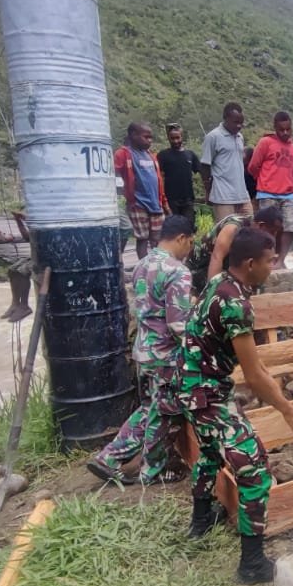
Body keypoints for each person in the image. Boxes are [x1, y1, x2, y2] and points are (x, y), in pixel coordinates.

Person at [180, 226, 293, 582]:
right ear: (251, 263)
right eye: (270, 261)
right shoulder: (237, 304)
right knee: (253, 468)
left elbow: (251, 362)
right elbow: (252, 377)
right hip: (206, 394)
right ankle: (252, 564)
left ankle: (201, 522)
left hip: (193, 387)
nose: (274, 267)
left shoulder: (221, 282)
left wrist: (269, 379)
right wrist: (287, 409)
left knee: (209, 452)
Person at [87, 215, 196, 485]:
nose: (190, 249)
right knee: (165, 411)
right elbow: (177, 324)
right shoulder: (178, 271)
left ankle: (110, 457)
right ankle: (153, 470)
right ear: (181, 238)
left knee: (149, 408)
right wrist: (199, 348)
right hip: (165, 356)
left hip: (143, 351)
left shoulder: (143, 264)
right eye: (190, 243)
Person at [248, 112, 293, 268]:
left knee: (290, 226)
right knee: (267, 228)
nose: (285, 133)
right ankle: (268, 258)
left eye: (288, 129)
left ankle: (280, 260)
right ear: (275, 128)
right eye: (281, 130)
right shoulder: (265, 143)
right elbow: (253, 166)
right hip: (268, 193)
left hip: (289, 194)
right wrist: (263, 180)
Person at [185, 206, 284, 296]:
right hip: (201, 266)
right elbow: (217, 257)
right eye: (272, 231)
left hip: (227, 262)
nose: (273, 236)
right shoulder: (233, 227)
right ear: (261, 225)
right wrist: (213, 294)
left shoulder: (259, 235)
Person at [114, 121, 169, 259]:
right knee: (142, 239)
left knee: (158, 239)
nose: (150, 140)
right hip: (138, 204)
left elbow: (158, 181)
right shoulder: (123, 154)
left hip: (155, 204)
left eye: (151, 137)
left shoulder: (151, 155)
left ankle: (158, 267)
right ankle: (144, 270)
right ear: (133, 135)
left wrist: (163, 201)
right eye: (146, 137)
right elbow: (114, 174)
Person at [200, 102, 252, 221]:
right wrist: (208, 190)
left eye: (241, 122)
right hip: (223, 196)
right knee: (225, 233)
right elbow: (205, 165)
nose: (239, 126)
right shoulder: (213, 137)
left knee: (248, 231)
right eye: (236, 122)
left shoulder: (239, 137)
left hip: (242, 195)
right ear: (225, 118)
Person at [156, 123, 203, 227]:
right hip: (171, 200)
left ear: (182, 137)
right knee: (173, 229)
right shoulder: (163, 155)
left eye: (177, 137)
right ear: (168, 138)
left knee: (189, 227)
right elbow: (158, 177)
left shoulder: (190, 155)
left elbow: (201, 172)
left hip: (188, 199)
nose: (175, 141)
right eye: (172, 138)